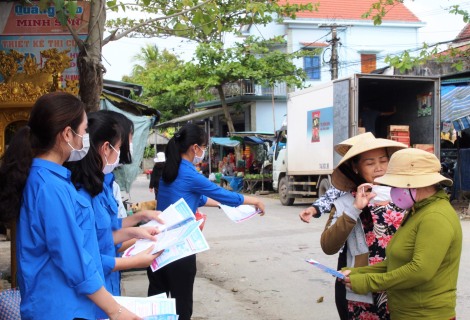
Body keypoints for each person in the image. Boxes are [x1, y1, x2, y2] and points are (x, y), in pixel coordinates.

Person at [0, 92, 139, 319]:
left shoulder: (50, 180)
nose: (85, 137)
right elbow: (73, 259)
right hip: (60, 308)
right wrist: (116, 310)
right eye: (84, 131)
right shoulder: (50, 187)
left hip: (65, 305)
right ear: (67, 133)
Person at [147, 123, 266, 320]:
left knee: (155, 307)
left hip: (156, 247)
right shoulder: (189, 174)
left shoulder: (170, 170)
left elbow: (198, 198)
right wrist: (255, 200)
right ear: (195, 148)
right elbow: (221, 193)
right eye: (204, 147)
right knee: (181, 308)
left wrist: (220, 205)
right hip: (179, 250)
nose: (204, 151)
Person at [341, 148, 462, 319]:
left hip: (426, 315)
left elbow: (419, 271)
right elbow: (396, 262)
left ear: (416, 183)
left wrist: (367, 282)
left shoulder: (435, 216)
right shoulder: (418, 210)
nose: (393, 190)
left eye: (397, 184)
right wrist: (359, 273)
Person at [66, 111, 162, 308]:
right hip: (91, 294)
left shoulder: (98, 185)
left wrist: (136, 228)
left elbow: (104, 234)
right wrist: (133, 261)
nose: (126, 150)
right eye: (121, 146)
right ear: (105, 148)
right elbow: (84, 258)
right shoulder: (80, 194)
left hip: (105, 284)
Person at [320, 135, 407, 320]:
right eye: (370, 163)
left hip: (399, 283)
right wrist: (354, 210)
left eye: (383, 160)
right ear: (355, 168)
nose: (379, 168)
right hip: (362, 289)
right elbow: (328, 246)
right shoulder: (345, 203)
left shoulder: (406, 198)